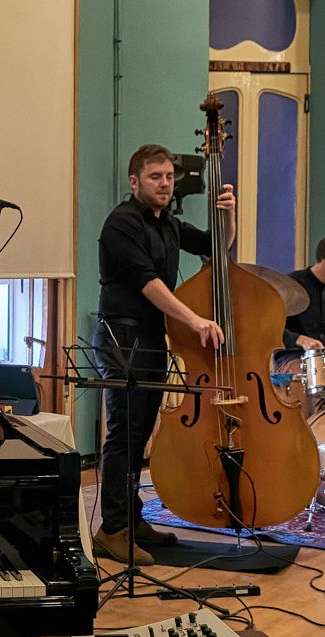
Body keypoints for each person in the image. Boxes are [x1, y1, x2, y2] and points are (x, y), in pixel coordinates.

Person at [92, 144, 235, 566]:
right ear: (134, 181)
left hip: (152, 337)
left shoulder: (168, 223)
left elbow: (215, 247)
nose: (165, 184)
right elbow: (148, 282)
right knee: (124, 435)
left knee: (140, 437)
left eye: (170, 177)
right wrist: (194, 320)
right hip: (122, 336)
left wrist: (229, 215)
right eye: (156, 177)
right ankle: (111, 529)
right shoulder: (121, 223)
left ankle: (132, 520)